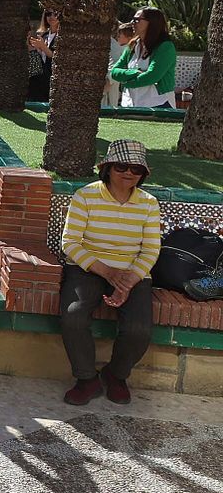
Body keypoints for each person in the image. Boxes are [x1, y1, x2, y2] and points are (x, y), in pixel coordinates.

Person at [59, 139, 162, 406]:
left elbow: (151, 249)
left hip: (132, 274)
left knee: (139, 329)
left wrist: (128, 280)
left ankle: (116, 375)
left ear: (143, 174)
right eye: (121, 166)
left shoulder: (149, 204)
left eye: (136, 169)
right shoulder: (85, 196)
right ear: (107, 168)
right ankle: (86, 379)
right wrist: (106, 272)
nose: (128, 173)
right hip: (89, 268)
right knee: (73, 317)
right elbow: (70, 243)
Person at [109, 6, 178, 108]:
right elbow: (114, 72)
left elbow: (152, 76)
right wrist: (134, 72)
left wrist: (126, 83)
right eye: (133, 19)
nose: (132, 22)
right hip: (129, 104)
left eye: (137, 20)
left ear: (152, 23)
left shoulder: (165, 47)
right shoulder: (132, 45)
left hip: (158, 104)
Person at [27, 10, 59, 102]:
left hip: (54, 77)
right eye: (48, 14)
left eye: (55, 14)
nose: (52, 17)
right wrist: (38, 48)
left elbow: (56, 57)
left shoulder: (62, 36)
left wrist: (43, 47)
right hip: (42, 76)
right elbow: (43, 56)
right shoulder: (45, 35)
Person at [103, 22, 137, 108]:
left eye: (119, 35)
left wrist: (108, 82)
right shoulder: (122, 47)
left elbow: (114, 66)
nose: (117, 37)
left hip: (113, 82)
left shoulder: (116, 47)